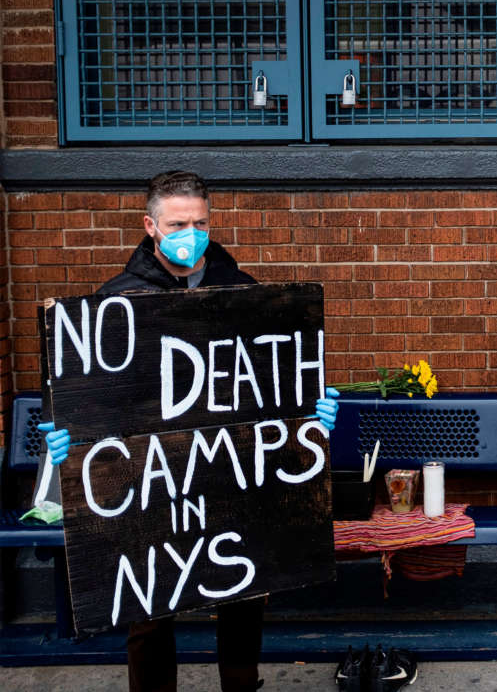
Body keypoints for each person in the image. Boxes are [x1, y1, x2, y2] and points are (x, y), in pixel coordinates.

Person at [41, 170, 340, 692]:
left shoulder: (247, 294)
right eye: (178, 223)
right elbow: (86, 391)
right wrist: (67, 437)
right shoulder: (116, 302)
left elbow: (273, 379)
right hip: (150, 479)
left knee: (246, 587)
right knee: (149, 603)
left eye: (200, 222)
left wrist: (309, 414)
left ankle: (241, 684)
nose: (191, 232)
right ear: (150, 226)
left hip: (229, 468)